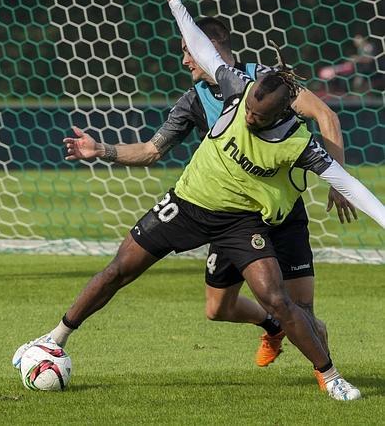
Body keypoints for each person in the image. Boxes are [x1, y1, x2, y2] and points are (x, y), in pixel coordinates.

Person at [13, 0, 385, 401]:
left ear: (282, 115)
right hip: (187, 203)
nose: (248, 116)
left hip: (243, 220)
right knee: (121, 269)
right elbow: (196, 59)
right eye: (247, 109)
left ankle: (331, 376)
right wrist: (175, 1)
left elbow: (355, 187)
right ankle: (54, 337)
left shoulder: (299, 144)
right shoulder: (235, 86)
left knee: (279, 299)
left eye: (258, 118)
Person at [62, 24, 355, 366]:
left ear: (209, 48)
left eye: (188, 51)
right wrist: (101, 149)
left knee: (302, 309)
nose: (185, 60)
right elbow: (150, 151)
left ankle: (330, 377)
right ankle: (273, 324)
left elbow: (325, 114)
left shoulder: (262, 82)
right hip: (231, 213)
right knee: (219, 308)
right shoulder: (192, 102)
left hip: (280, 211)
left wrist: (338, 180)